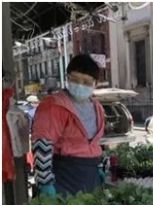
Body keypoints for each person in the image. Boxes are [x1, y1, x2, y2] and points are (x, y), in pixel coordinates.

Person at [31, 54, 105, 197]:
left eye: (87, 82)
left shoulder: (97, 107)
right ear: (67, 78)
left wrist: (99, 166)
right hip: (63, 176)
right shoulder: (54, 105)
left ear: (95, 83)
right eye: (75, 79)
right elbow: (42, 143)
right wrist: (45, 182)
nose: (80, 85)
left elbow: (95, 143)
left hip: (90, 175)